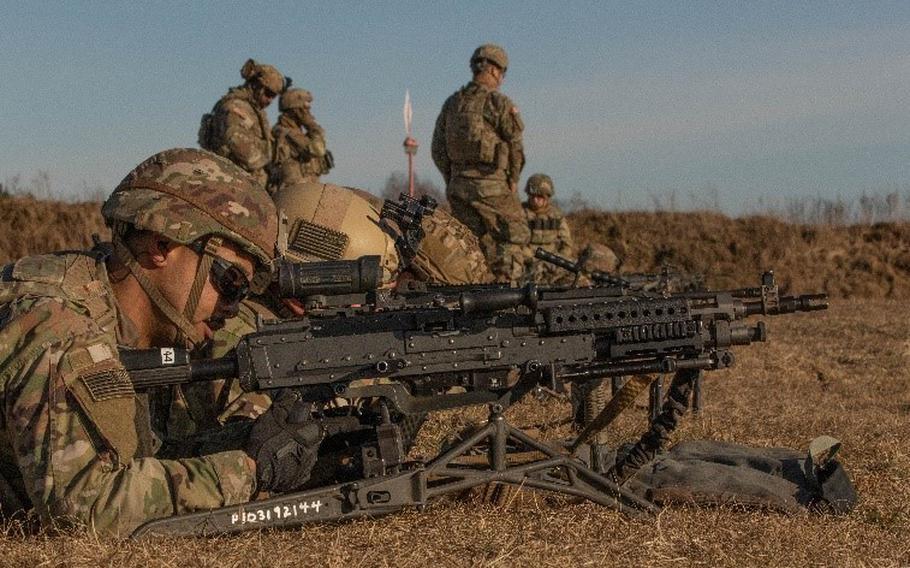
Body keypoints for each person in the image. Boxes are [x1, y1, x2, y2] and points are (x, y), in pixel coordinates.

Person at [0, 148, 320, 536]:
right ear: (161, 245)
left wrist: (251, 441)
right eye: (231, 281)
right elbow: (86, 510)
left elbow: (141, 460)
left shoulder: (123, 320)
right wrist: (248, 470)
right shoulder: (61, 326)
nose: (233, 307)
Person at [431, 44, 530, 282]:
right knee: (515, 235)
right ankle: (508, 292)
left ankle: (472, 289)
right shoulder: (498, 103)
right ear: (495, 71)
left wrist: (452, 178)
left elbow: (438, 149)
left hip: (458, 187)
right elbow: (516, 147)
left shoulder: (452, 104)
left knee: (468, 244)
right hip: (491, 185)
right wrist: (513, 181)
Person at [198, 58, 285, 189]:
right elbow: (244, 151)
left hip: (246, 186)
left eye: (274, 96)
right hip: (233, 186)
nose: (270, 100)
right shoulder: (235, 108)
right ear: (255, 85)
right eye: (268, 93)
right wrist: (270, 152)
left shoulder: (254, 111)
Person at [520, 173, 577, 285]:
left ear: (547, 197)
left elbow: (567, 244)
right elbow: (518, 244)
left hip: (553, 261)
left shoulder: (556, 215)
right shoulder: (520, 213)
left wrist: (560, 260)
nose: (536, 200)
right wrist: (532, 259)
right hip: (529, 261)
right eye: (533, 196)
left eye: (540, 197)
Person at [271, 88, 333, 190]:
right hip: (292, 194)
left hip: (305, 192)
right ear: (295, 110)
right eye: (305, 110)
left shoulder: (299, 134)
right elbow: (318, 149)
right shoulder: (284, 133)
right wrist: (312, 126)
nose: (308, 114)